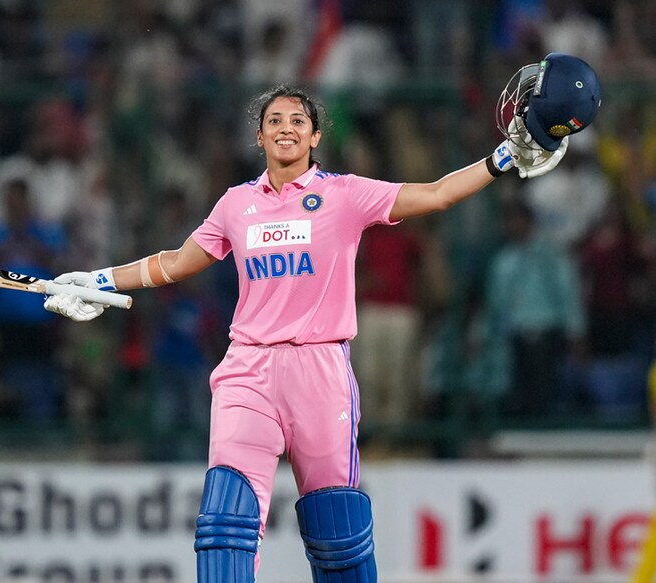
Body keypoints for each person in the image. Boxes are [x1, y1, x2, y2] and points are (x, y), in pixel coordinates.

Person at [44, 53, 600, 583]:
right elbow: (175, 263)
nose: (286, 127)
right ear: (259, 137)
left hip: (321, 372)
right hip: (247, 372)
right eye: (273, 120)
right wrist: (99, 279)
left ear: (315, 137)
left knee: (337, 536)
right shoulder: (236, 204)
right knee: (224, 524)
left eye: (298, 120)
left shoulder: (345, 196)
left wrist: (501, 158)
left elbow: (433, 195)